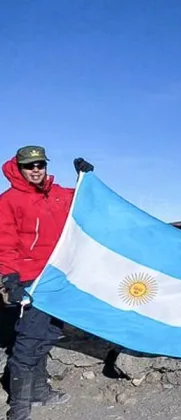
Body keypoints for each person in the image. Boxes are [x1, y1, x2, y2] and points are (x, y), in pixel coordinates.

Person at [0, 146, 93, 420]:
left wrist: (85, 179)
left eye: (40, 164)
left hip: (60, 275)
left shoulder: (59, 194)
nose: (36, 170)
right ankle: (19, 407)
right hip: (32, 279)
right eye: (30, 166)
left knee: (48, 335)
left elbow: (86, 203)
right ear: (19, 168)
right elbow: (5, 243)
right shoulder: (9, 201)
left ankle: (39, 392)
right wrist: (10, 278)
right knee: (28, 340)